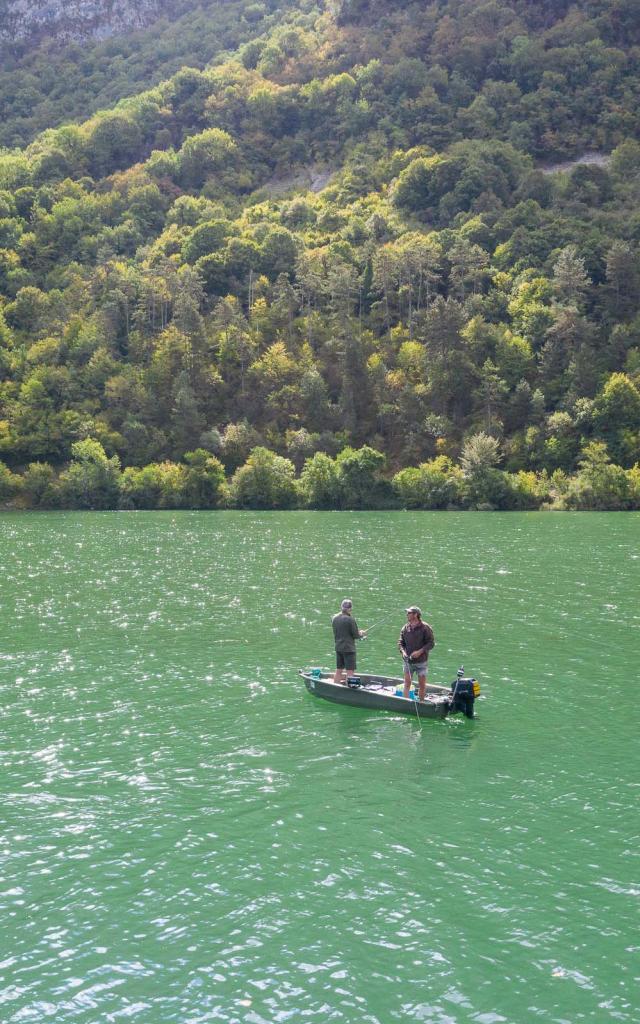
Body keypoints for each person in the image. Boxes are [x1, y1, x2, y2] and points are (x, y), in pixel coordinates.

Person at [398, 606, 435, 702]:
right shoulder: (405, 628)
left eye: (409, 613)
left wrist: (419, 652)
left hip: (421, 662)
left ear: (416, 615)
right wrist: (403, 653)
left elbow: (431, 643)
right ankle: (405, 703)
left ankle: (421, 703)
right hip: (408, 662)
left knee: (422, 685)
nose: (407, 615)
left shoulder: (425, 628)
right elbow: (400, 643)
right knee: (407, 684)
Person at [332, 598, 366, 685]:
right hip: (349, 649)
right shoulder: (350, 620)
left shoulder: (334, 618)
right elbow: (356, 635)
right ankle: (348, 689)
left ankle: (335, 686)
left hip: (338, 647)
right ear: (350, 609)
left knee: (339, 669)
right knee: (350, 671)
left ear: (341, 607)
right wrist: (361, 633)